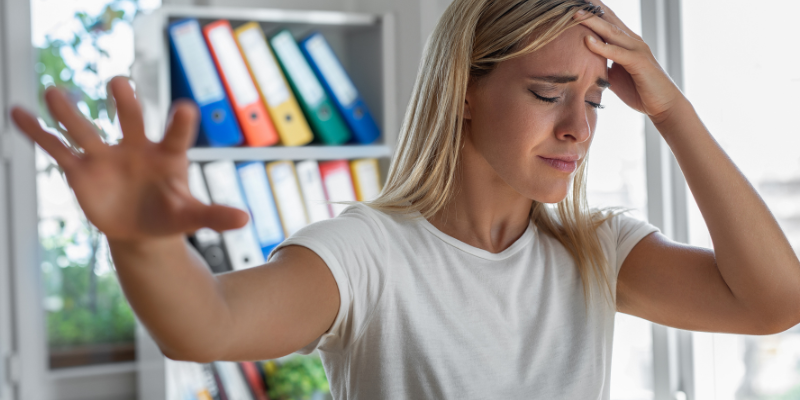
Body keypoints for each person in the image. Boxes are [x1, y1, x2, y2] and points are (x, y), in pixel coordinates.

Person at [11, 0, 800, 398]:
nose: (577, 127)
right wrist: (141, 240)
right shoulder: (369, 254)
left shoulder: (599, 250)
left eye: (595, 100)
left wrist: (671, 110)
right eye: (549, 92)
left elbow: (774, 302)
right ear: (463, 89)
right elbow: (203, 325)